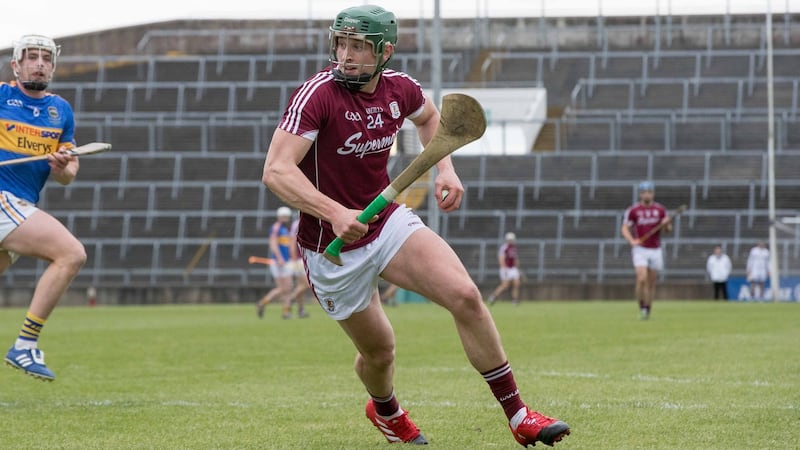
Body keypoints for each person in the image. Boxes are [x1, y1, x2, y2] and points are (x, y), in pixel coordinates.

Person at [261, 5, 569, 447]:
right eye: (341, 44)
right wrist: (333, 212)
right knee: (379, 353)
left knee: (464, 295)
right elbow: (276, 170)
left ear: (384, 51)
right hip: (330, 247)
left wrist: (445, 169)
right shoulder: (318, 96)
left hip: (385, 224)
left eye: (358, 47)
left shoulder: (401, 89)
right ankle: (385, 410)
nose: (345, 56)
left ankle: (519, 415)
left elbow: (430, 121)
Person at [2, 35, 86, 381]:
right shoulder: (2, 96)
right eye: (32, 57)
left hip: (19, 205)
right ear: (16, 64)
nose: (39, 63)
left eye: (46, 58)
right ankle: (25, 345)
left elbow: (69, 175)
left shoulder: (60, 111)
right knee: (71, 254)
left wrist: (61, 165)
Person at [621, 181, 672, 320]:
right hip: (640, 249)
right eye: (644, 192)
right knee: (641, 278)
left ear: (653, 193)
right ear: (640, 194)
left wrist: (666, 225)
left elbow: (667, 230)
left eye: (649, 192)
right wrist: (632, 240)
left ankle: (648, 309)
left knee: (651, 282)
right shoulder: (633, 210)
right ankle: (641, 306)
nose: (647, 194)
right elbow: (625, 228)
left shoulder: (660, 210)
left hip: (655, 249)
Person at [256, 206, 294, 319]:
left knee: (287, 288)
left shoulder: (285, 229)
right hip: (279, 262)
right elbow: (273, 244)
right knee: (284, 288)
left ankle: (286, 312)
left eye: (287, 217)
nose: (286, 218)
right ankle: (262, 303)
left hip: (286, 261)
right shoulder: (276, 228)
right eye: (284, 216)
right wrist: (279, 258)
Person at [488, 232, 521, 306]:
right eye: (509, 239)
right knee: (505, 286)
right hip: (506, 268)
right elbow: (501, 259)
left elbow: (515, 259)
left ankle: (515, 300)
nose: (511, 241)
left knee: (516, 284)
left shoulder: (514, 248)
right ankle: (493, 296)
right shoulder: (504, 248)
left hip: (513, 268)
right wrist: (504, 268)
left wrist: (517, 268)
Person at [287, 215, 310, 318]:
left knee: (300, 285)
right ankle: (290, 300)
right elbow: (292, 242)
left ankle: (301, 310)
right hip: (299, 259)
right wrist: (294, 259)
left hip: (301, 259)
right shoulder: (297, 224)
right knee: (306, 284)